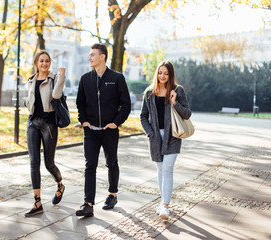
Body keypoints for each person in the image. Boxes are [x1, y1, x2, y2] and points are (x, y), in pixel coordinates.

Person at [75, 43, 131, 217]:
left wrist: (116, 122)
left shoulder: (117, 78)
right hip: (91, 130)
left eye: (93, 55)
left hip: (109, 129)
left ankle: (112, 194)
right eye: (89, 55)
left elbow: (126, 105)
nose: (89, 57)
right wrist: (83, 121)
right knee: (89, 165)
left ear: (103, 57)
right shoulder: (85, 79)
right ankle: (88, 204)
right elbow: (80, 104)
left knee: (111, 162)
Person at [140, 60, 191, 220]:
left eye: (166, 73)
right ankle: (163, 202)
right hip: (155, 138)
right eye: (160, 72)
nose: (162, 76)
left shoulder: (178, 90)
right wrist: (150, 133)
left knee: (168, 170)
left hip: (173, 136)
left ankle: (166, 206)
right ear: (157, 73)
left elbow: (187, 114)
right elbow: (143, 116)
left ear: (171, 74)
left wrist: (175, 103)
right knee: (160, 170)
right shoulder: (149, 92)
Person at [24, 50, 66, 217]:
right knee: (34, 162)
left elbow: (56, 96)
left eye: (47, 61)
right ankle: (37, 202)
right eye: (41, 61)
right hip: (33, 123)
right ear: (36, 63)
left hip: (49, 124)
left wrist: (61, 76)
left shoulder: (54, 78)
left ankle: (60, 185)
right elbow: (30, 102)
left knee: (49, 164)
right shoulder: (31, 80)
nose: (44, 64)